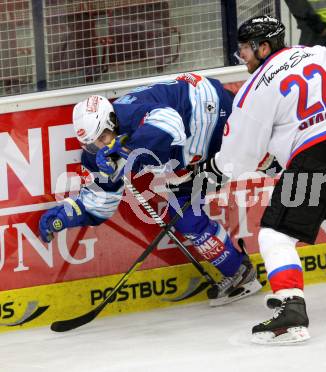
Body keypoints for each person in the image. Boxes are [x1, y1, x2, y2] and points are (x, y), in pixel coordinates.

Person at [199, 15, 326, 345]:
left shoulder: (255, 88)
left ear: (263, 47)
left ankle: (290, 311)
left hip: (317, 153)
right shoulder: (315, 53)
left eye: (245, 51)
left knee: (275, 235)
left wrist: (212, 171)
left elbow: (241, 155)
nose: (242, 58)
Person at [38, 73, 262, 306]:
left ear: (112, 121)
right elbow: (100, 203)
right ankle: (238, 271)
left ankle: (276, 167)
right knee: (183, 215)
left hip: (212, 112)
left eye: (103, 137)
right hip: (192, 139)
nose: (100, 146)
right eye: (94, 143)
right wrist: (66, 216)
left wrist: (125, 152)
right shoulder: (97, 154)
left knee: (266, 158)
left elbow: (170, 123)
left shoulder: (129, 113)